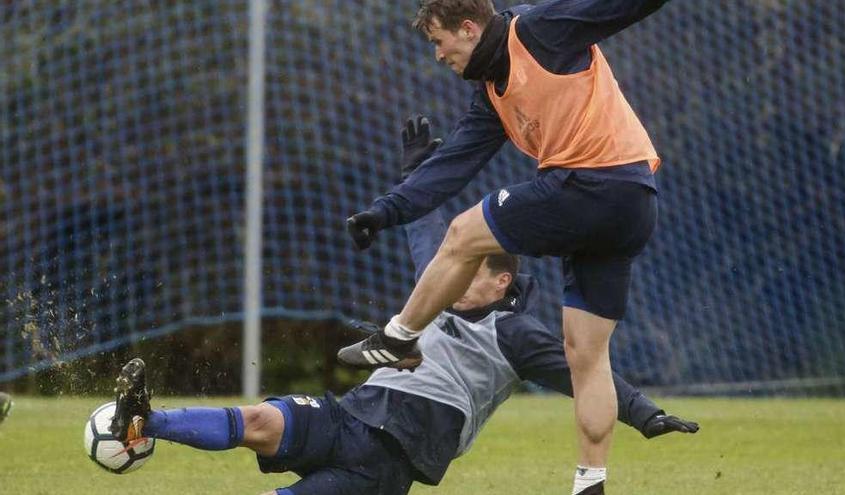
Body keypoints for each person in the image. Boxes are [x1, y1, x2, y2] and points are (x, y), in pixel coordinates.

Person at [109, 121, 697, 495]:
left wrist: (644, 413)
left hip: (386, 465)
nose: (455, 272)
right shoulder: (437, 290)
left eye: (471, 270)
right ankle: (142, 424)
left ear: (500, 282)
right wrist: (418, 174)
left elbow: (586, 371)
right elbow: (429, 235)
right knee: (261, 420)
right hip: (349, 415)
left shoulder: (515, 333)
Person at [339, 2, 671, 493]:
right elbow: (453, 162)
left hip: (592, 184)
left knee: (460, 235)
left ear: (468, 28)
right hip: (634, 205)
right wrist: (386, 210)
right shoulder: (491, 91)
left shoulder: (539, 31)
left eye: (438, 40)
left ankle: (398, 337)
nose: (437, 55)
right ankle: (591, 480)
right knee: (585, 354)